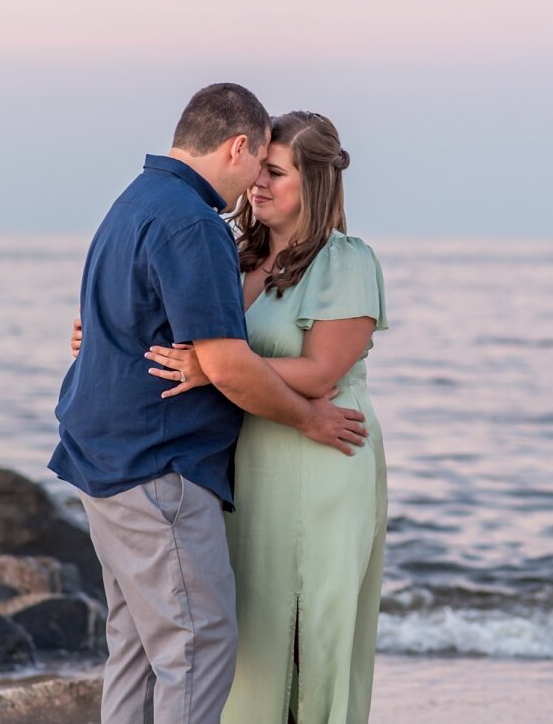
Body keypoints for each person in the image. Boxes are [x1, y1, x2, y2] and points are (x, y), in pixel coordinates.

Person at [50, 83, 367, 724]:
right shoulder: (193, 223)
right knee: (199, 644)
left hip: (105, 458)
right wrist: (308, 417)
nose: (254, 184)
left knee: (138, 648)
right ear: (237, 146)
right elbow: (226, 366)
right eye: (260, 166)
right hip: (155, 465)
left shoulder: (135, 200)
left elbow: (118, 318)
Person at [142, 111, 387, 724]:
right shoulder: (234, 256)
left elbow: (322, 371)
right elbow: (181, 332)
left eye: (276, 172)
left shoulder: (344, 260)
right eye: (258, 169)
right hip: (248, 461)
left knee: (313, 629)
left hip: (321, 458)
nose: (258, 184)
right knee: (249, 629)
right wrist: (98, 332)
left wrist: (212, 368)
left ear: (316, 184)